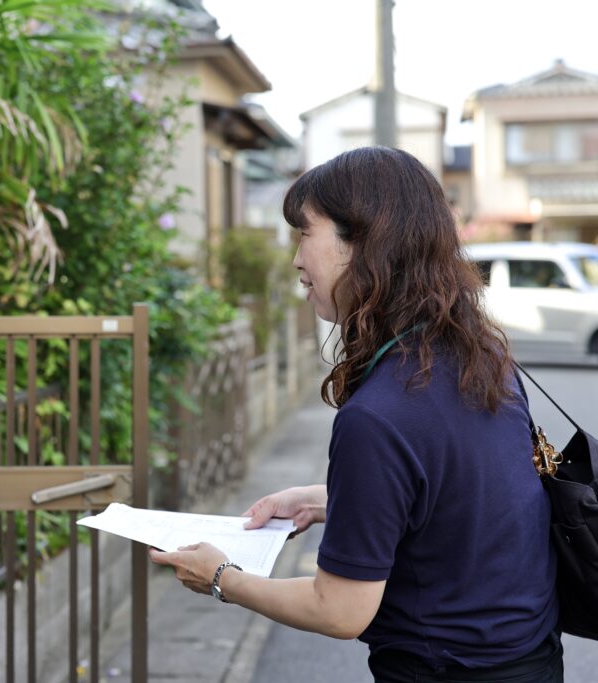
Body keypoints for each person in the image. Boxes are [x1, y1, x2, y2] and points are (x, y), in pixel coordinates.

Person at [151, 147, 563, 682]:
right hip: (532, 658)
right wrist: (325, 500)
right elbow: (463, 498)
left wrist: (220, 577)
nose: (296, 260)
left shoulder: (377, 415)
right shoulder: (479, 357)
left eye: (304, 234)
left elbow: (339, 610)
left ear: (363, 243)